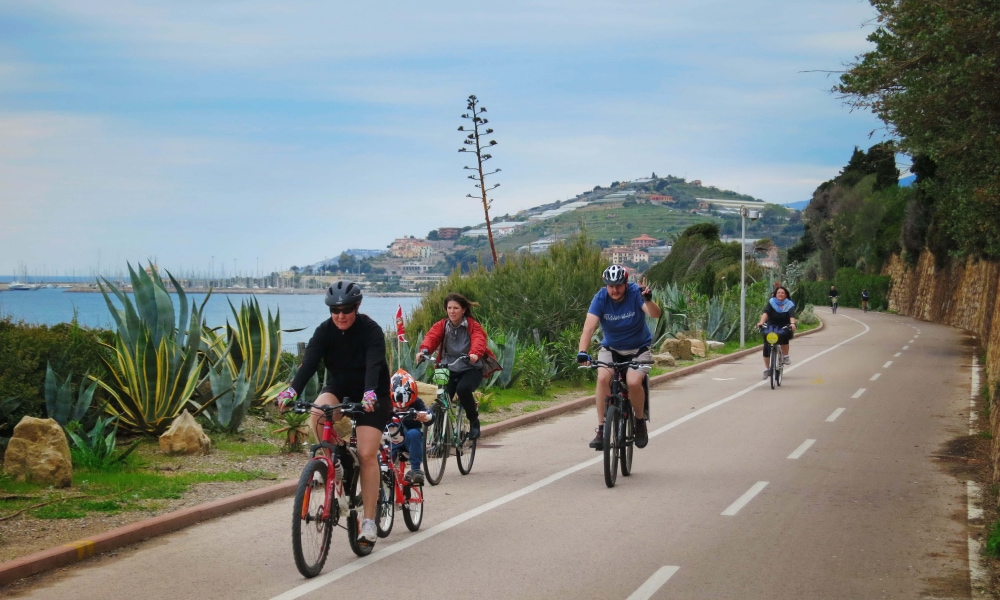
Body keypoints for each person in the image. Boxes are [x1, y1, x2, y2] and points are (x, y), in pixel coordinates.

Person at [274, 280, 390, 545]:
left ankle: (369, 522)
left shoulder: (371, 330)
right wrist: (291, 391)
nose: (340, 316)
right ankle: (334, 461)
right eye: (334, 311)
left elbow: (374, 363)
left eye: (346, 310)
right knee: (317, 413)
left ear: (357, 307)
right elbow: (309, 364)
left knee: (366, 453)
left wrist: (370, 391)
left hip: (373, 395)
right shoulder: (324, 331)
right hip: (339, 388)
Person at [577, 264, 661, 450]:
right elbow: (589, 328)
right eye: (610, 286)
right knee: (602, 378)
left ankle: (639, 422)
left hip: (638, 349)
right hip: (611, 348)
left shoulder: (635, 292)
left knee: (632, 382)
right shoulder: (600, 297)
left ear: (625, 283)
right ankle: (601, 429)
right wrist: (582, 351)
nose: (614, 290)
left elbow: (655, 314)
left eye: (618, 285)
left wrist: (648, 300)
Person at [416, 292, 498, 441]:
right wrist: (424, 351)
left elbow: (479, 340)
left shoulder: (473, 326)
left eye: (456, 308)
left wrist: (474, 354)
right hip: (448, 367)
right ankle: (439, 440)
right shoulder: (442, 325)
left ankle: (474, 421)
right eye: (449, 308)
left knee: (463, 389)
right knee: (441, 399)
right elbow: (431, 337)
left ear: (463, 310)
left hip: (470, 367)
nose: (452, 311)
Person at [388, 369, 433, 485]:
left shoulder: (417, 402)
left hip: (409, 440)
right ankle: (383, 473)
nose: (402, 409)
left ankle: (416, 470)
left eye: (405, 407)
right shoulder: (386, 402)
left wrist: (425, 417)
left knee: (415, 433)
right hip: (392, 439)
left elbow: (430, 415)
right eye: (398, 409)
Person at [757, 285, 797, 378]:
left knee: (784, 336)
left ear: (786, 295)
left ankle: (785, 356)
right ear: (775, 294)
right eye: (778, 292)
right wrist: (761, 322)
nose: (780, 294)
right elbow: (766, 313)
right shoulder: (771, 302)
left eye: (782, 293)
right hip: (772, 325)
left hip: (784, 325)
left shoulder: (789, 304)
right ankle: (767, 370)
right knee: (767, 345)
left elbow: (791, 315)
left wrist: (792, 323)